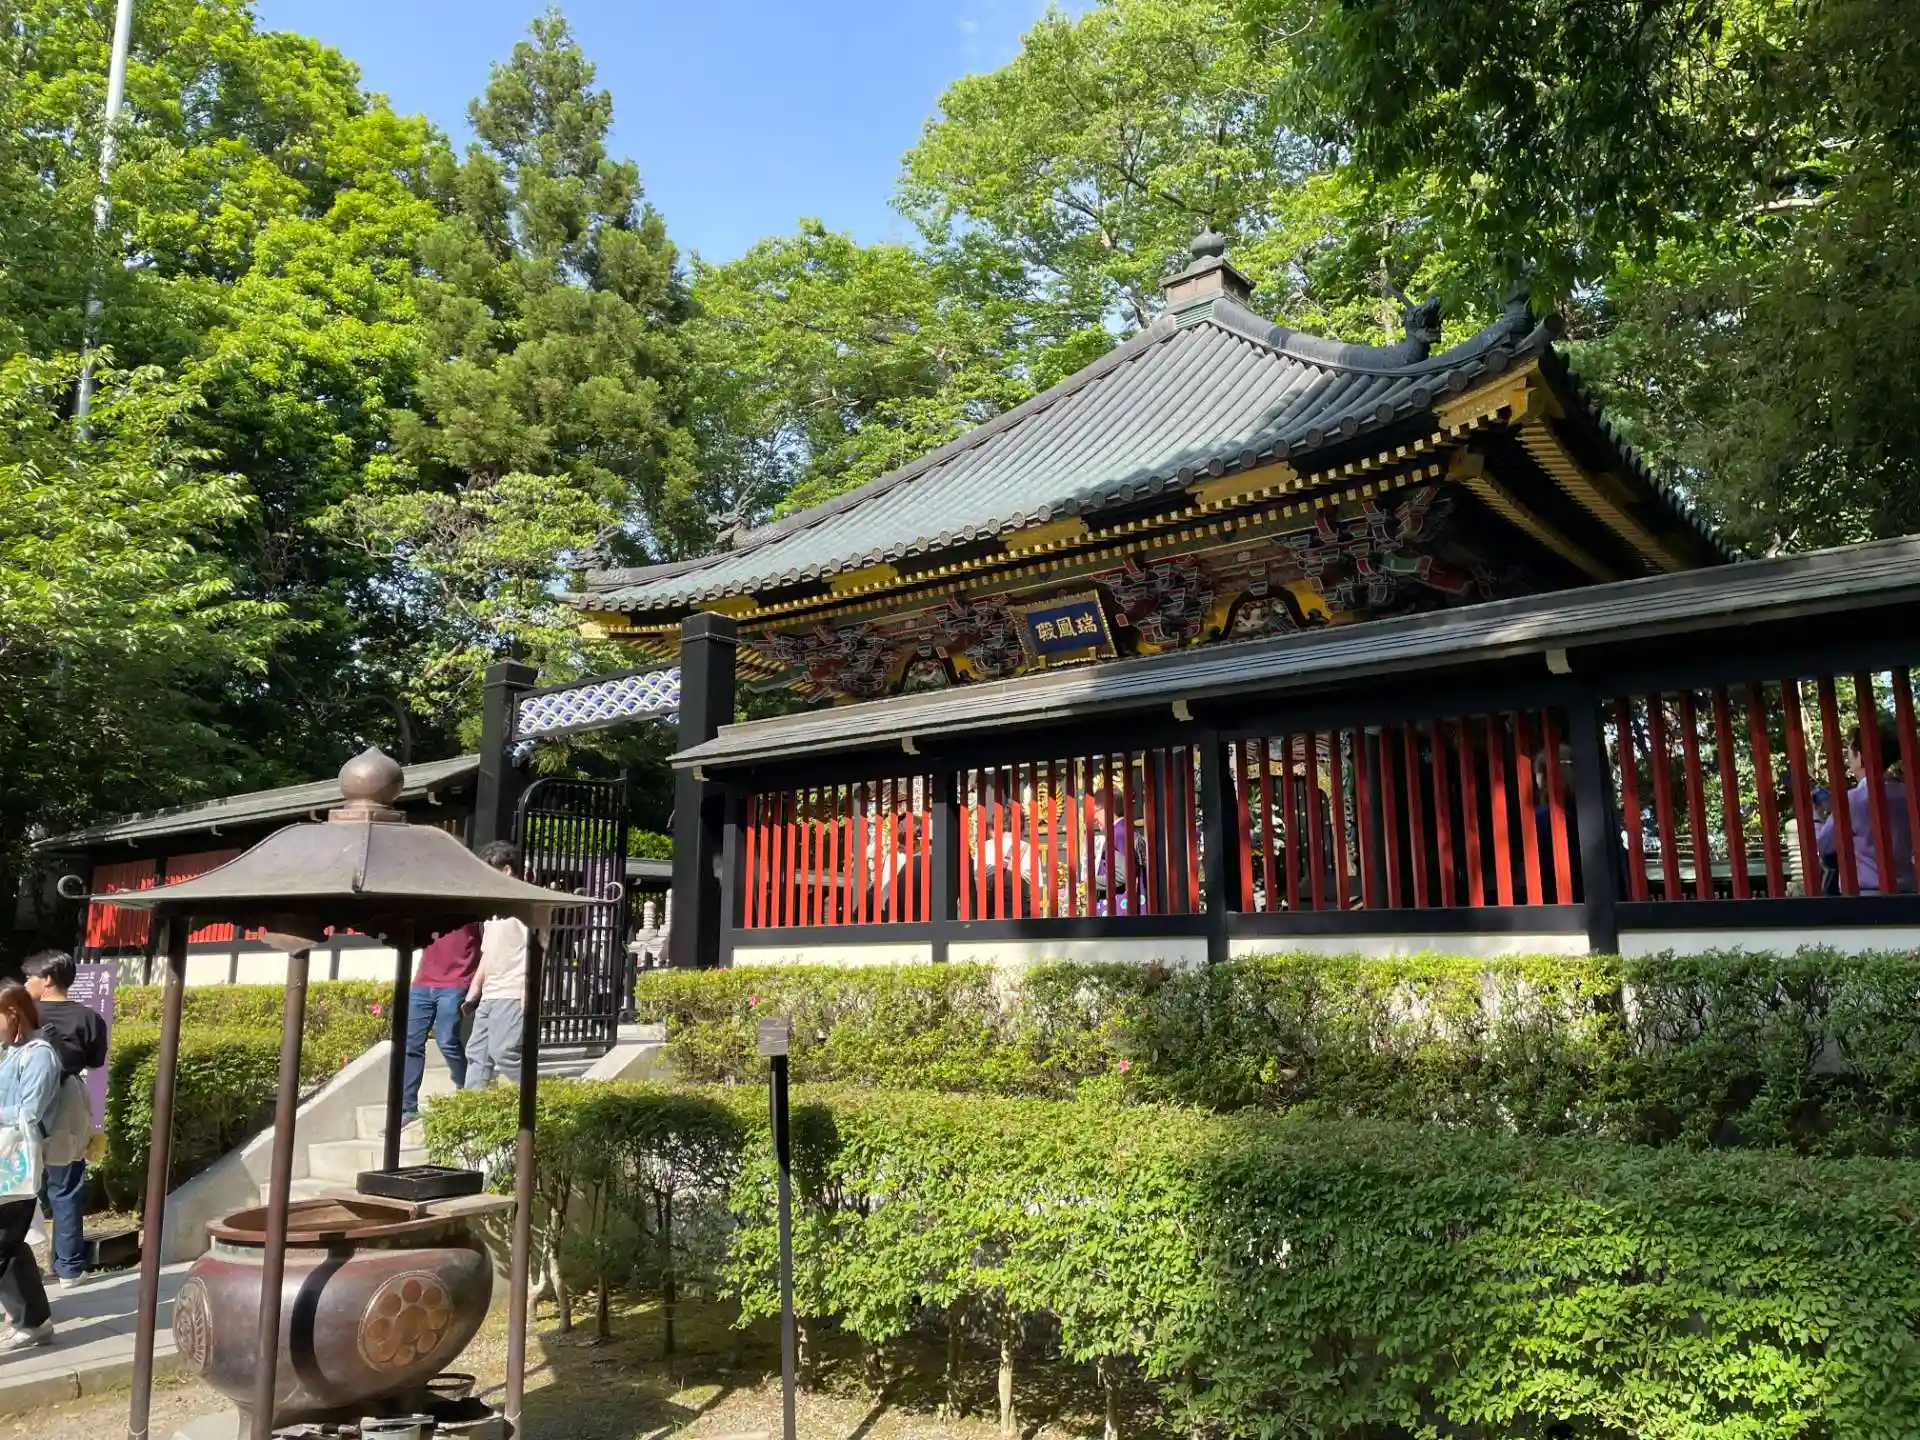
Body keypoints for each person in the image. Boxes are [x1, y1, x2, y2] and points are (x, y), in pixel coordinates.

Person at [20, 952, 104, 1291]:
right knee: (65, 1185)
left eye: (30, 976)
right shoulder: (88, 1017)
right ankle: (68, 1268)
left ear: (48, 979)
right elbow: (95, 1062)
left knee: (19, 1189)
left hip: (23, 1102)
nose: (26, 982)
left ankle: (23, 1268)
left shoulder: (21, 1015)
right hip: (68, 1102)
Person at [0, 981, 59, 1350]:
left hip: (15, 1165)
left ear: (13, 1013)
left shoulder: (40, 1055)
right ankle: (34, 1320)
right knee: (9, 1245)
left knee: (5, 1243)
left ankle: (32, 1321)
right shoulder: (10, 1052)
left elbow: (30, 1112)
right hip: (7, 1165)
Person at [1815, 719, 1916, 895]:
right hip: (1908, 894)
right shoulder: (1908, 796)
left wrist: (1816, 814)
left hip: (1865, 896)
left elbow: (1824, 845)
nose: (1848, 759)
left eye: (1849, 752)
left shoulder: (1853, 800)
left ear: (1860, 757)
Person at [464, 843, 531, 1091]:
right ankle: (470, 1107)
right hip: (489, 994)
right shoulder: (492, 909)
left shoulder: (524, 906)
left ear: (506, 870)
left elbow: (537, 950)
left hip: (511, 992)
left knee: (504, 1052)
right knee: (477, 1053)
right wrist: (475, 987)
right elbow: (488, 952)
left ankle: (535, 1099)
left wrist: (527, 990)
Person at [402, 921, 479, 1121]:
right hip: (423, 982)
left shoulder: (475, 910)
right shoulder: (429, 909)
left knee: (446, 1040)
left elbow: (487, 944)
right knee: (411, 1045)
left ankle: (466, 1088)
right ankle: (407, 1107)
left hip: (456, 981)